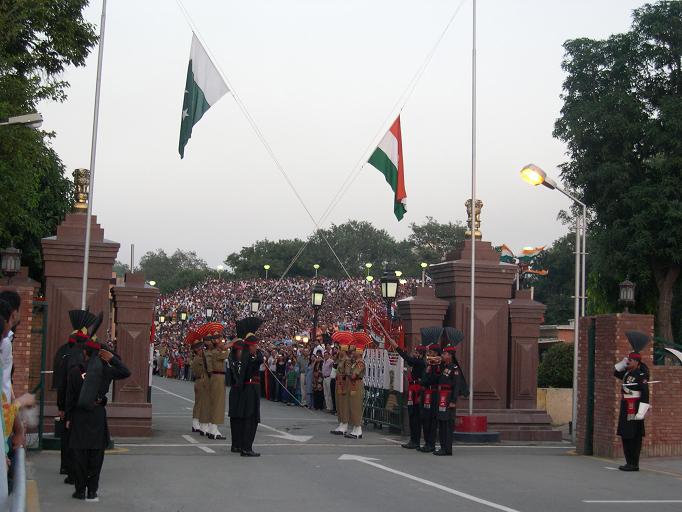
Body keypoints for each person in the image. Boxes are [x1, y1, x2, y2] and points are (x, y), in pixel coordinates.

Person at [65, 331, 130, 501]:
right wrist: (112, 359)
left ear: (85, 352)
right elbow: (126, 372)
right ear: (100, 354)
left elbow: (69, 398)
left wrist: (68, 418)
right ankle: (92, 491)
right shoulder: (105, 370)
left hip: (79, 416)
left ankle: (80, 490)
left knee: (80, 456)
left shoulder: (75, 371)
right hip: (97, 415)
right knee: (96, 456)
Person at [54, 309, 99, 479]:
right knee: (80, 438)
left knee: (68, 436)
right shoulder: (88, 359)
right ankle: (79, 470)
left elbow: (61, 384)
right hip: (85, 402)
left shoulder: (65, 354)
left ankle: (66, 466)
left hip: (69, 402)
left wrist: (61, 406)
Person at [614, 331, 651, 472]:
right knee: (625, 434)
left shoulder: (641, 375)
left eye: (630, 360)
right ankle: (629, 462)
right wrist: (623, 362)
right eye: (627, 360)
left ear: (636, 362)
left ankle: (634, 463)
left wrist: (641, 412)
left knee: (633, 435)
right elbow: (615, 371)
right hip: (626, 407)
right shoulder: (627, 373)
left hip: (634, 408)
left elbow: (645, 394)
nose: (628, 362)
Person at [387, 334, 427, 449]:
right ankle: (413, 440)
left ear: (420, 354)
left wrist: (396, 347)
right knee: (412, 416)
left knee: (415, 417)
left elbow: (408, 359)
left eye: (416, 353)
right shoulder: (417, 362)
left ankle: (415, 441)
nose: (414, 354)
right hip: (412, 389)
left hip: (417, 391)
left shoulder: (421, 362)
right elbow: (409, 361)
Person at [235, 317, 264, 457]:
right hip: (251, 388)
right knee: (251, 419)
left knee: (248, 418)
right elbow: (260, 358)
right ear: (251, 345)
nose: (256, 347)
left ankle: (244, 446)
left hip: (249, 388)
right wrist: (258, 352)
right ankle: (247, 447)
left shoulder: (245, 356)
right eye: (255, 345)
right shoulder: (249, 357)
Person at [433, 333, 466, 456]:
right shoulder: (444, 367)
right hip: (442, 397)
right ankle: (443, 447)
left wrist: (453, 401)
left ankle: (447, 448)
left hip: (448, 399)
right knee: (442, 423)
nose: (442, 355)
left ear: (450, 356)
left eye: (444, 354)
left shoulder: (454, 369)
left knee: (447, 424)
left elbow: (456, 386)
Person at [201, 322, 229, 440]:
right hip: (217, 377)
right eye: (219, 339)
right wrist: (227, 346)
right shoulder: (215, 352)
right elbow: (226, 353)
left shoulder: (213, 351)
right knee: (218, 404)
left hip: (215, 377)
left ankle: (211, 427)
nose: (221, 341)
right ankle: (213, 430)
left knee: (214, 403)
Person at [418, 340, 442, 453]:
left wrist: (428, 373)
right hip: (426, 393)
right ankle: (427, 442)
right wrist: (427, 372)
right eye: (429, 352)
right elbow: (422, 381)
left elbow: (433, 380)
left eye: (431, 352)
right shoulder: (428, 365)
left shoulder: (438, 366)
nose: (429, 355)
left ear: (436, 353)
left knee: (432, 419)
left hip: (434, 394)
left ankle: (431, 443)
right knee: (425, 418)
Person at [345, 334, 367, 439]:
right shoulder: (354, 362)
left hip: (357, 384)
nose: (352, 353)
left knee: (356, 406)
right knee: (352, 406)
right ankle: (355, 428)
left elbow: (353, 375)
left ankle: (358, 429)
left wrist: (349, 374)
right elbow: (348, 373)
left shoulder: (360, 363)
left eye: (354, 351)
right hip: (353, 384)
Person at [330, 331, 352, 435]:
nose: (338, 351)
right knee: (339, 404)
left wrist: (345, 384)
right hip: (338, 383)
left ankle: (345, 424)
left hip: (343, 384)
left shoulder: (347, 360)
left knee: (343, 404)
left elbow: (347, 374)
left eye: (339, 349)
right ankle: (341, 423)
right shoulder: (339, 360)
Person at [187, 330, 207, 434]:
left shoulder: (199, 358)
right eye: (200, 348)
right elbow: (201, 370)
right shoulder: (198, 359)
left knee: (201, 403)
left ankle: (197, 423)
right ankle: (195, 423)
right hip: (200, 381)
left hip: (202, 381)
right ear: (196, 350)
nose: (202, 350)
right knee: (199, 403)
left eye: (202, 348)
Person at [227, 338, 246, 452]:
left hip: (242, 391)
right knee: (235, 419)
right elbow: (235, 377)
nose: (242, 353)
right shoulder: (232, 360)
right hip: (236, 390)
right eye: (240, 351)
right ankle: (235, 444)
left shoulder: (243, 362)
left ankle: (240, 443)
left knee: (242, 419)